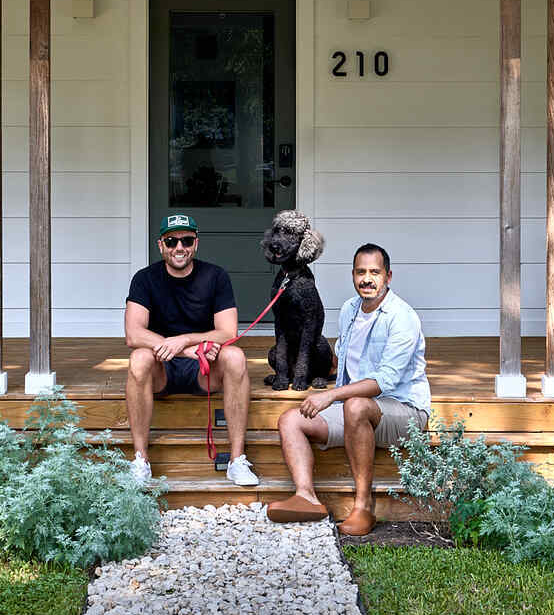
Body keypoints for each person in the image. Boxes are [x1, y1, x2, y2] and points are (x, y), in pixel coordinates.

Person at [267, 243, 430, 536]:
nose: (367, 279)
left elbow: (384, 382)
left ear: (388, 277)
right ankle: (306, 497)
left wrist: (330, 395)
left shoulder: (402, 316)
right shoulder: (349, 310)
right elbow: (343, 358)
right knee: (290, 419)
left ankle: (364, 505)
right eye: (360, 272)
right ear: (353, 275)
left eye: (375, 272)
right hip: (355, 411)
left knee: (355, 404)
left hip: (404, 411)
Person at [124, 213, 259, 487]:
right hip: (161, 368)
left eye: (186, 240)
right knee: (138, 358)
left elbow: (227, 332)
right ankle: (140, 460)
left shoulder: (215, 276)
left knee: (235, 356)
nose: (179, 248)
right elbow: (133, 333)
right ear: (160, 245)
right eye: (171, 241)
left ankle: (236, 460)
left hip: (203, 370)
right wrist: (182, 349)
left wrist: (183, 340)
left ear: (196, 244)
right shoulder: (144, 278)